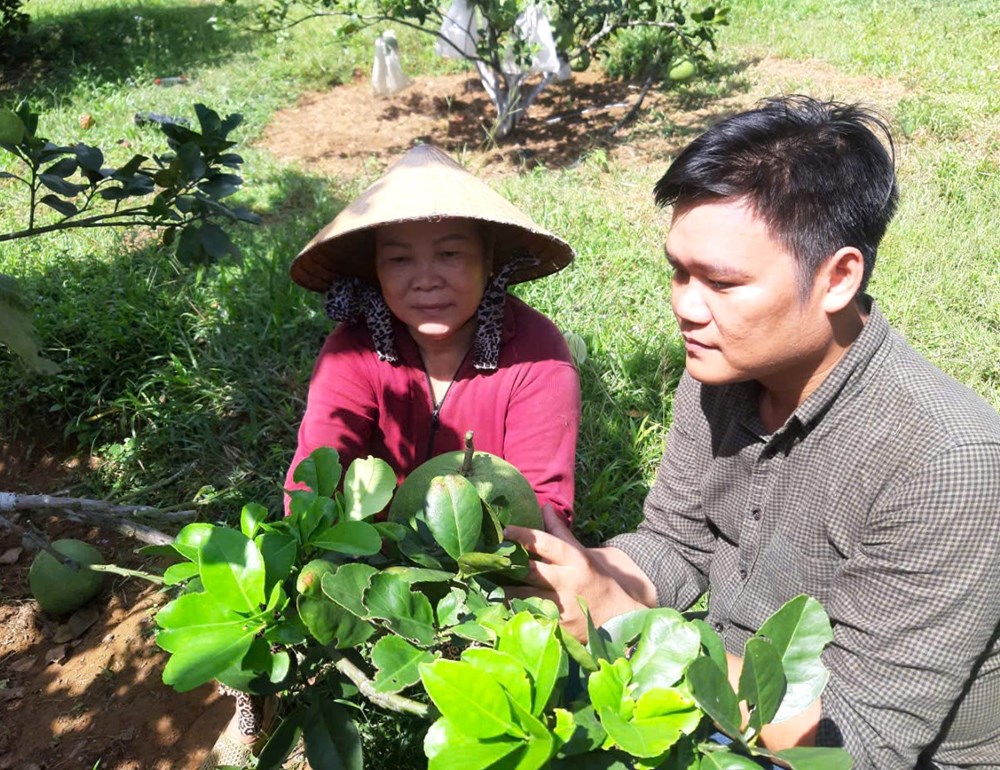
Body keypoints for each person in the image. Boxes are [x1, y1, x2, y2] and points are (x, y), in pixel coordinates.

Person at [505, 95, 1000, 770]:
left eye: (722, 282)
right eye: (678, 272)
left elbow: (854, 746)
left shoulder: (948, 462)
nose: (686, 306)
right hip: (728, 710)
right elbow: (677, 541)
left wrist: (632, 628)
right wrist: (589, 573)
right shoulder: (722, 372)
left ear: (838, 278)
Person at [200, 143, 581, 769]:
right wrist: (323, 551)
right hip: (368, 549)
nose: (424, 279)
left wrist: (499, 572)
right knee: (268, 595)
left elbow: (544, 500)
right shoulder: (353, 350)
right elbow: (316, 467)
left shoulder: (536, 354)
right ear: (373, 273)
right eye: (398, 259)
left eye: (451, 254)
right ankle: (261, 706)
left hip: (487, 557)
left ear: (491, 262)